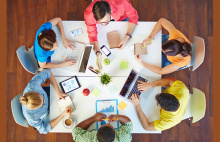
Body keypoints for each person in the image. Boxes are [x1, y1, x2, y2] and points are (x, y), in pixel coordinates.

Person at [84, 0, 139, 70]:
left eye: (107, 20)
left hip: (122, 18)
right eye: (101, 22)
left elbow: (134, 17)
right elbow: (92, 36)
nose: (104, 24)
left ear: (110, 11)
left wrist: (127, 36)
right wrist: (98, 52)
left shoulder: (122, 3)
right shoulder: (88, 15)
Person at [20, 69, 72, 134]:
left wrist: (58, 91)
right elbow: (44, 129)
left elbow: (47, 72)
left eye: (42, 98)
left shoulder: (33, 86)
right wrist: (62, 115)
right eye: (42, 104)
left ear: (35, 91)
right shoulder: (31, 117)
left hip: (49, 95)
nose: (44, 101)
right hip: (47, 114)